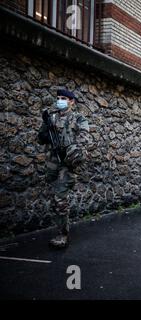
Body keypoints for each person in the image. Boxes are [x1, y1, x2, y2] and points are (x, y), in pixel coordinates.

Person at [37, 89, 90, 249]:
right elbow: (40, 139)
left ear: (71, 101)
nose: (60, 100)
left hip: (67, 163)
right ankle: (61, 227)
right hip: (52, 163)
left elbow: (84, 138)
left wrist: (71, 150)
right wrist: (46, 131)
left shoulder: (78, 118)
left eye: (64, 98)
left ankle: (63, 235)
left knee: (60, 198)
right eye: (58, 98)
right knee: (55, 198)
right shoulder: (51, 117)